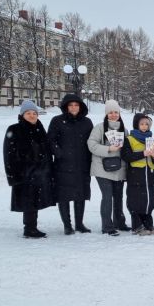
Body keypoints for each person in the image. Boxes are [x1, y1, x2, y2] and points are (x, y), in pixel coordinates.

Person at [3, 100, 55, 238]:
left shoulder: (39, 128)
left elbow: (47, 150)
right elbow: (8, 155)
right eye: (28, 113)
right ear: (22, 115)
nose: (32, 116)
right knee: (29, 202)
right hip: (24, 174)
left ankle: (32, 227)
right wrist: (14, 176)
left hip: (40, 173)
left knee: (36, 201)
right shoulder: (14, 129)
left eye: (34, 113)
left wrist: (48, 169)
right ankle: (29, 228)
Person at [47, 93, 93, 234]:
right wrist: (59, 153)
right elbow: (50, 140)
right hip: (63, 165)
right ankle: (67, 225)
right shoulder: (57, 121)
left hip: (82, 165)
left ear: (80, 107)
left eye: (76, 105)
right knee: (64, 196)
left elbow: (91, 142)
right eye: (71, 105)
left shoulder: (87, 122)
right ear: (66, 107)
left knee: (80, 195)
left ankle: (79, 224)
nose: (73, 107)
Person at [87, 99, 130, 236]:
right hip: (102, 168)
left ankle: (119, 222)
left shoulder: (124, 129)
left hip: (119, 168)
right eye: (110, 112)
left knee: (118, 197)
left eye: (116, 112)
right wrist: (109, 148)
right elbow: (91, 145)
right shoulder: (99, 128)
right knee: (107, 196)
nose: (113, 115)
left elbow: (128, 149)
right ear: (106, 114)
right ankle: (107, 226)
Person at [122, 113, 154, 235]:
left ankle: (148, 224)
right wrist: (143, 153)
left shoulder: (152, 139)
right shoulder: (130, 139)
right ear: (137, 124)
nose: (144, 126)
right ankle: (137, 225)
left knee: (148, 199)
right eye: (142, 124)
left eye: (146, 124)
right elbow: (126, 156)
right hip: (136, 173)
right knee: (135, 199)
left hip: (149, 172)